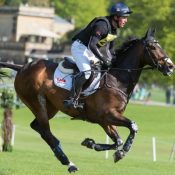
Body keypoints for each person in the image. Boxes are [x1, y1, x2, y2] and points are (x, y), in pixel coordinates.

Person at [64, 2, 132, 108]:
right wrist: (104, 60)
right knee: (87, 73)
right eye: (124, 17)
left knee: (103, 70)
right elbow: (92, 45)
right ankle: (72, 98)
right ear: (116, 17)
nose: (126, 20)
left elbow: (109, 50)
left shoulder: (114, 31)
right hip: (80, 48)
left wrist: (114, 61)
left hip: (91, 50)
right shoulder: (102, 25)